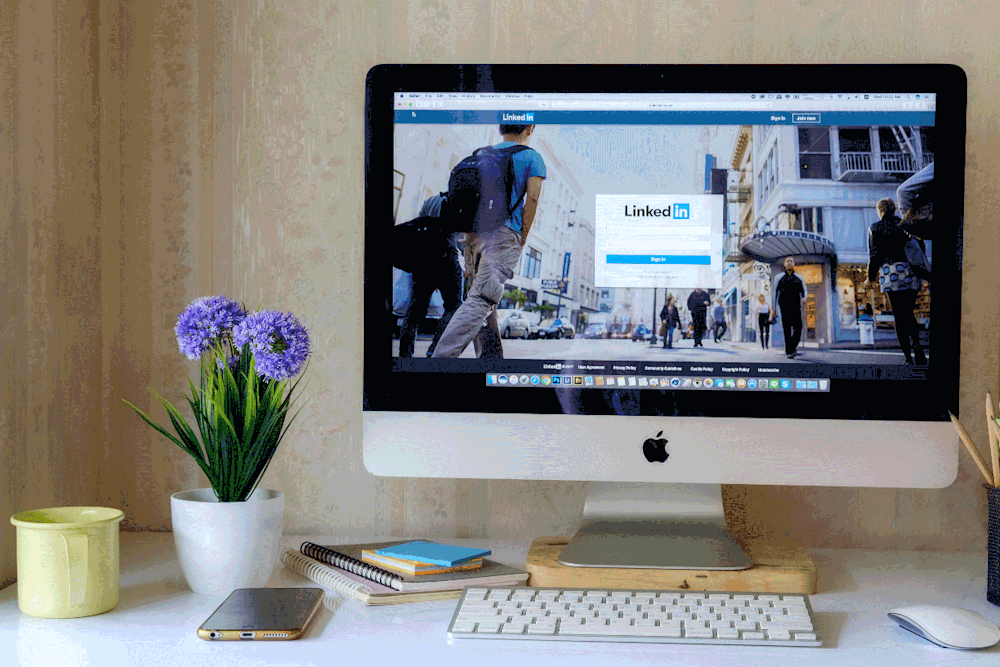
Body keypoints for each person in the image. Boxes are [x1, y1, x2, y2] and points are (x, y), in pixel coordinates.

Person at [432, 124, 545, 358]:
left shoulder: (482, 153)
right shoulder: (532, 157)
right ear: (530, 129)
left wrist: (469, 240)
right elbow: (532, 198)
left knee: (483, 300)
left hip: (474, 235)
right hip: (504, 234)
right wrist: (522, 238)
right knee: (482, 299)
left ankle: (491, 362)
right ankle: (441, 359)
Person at [397, 194, 462, 360]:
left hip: (424, 259)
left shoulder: (430, 201)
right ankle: (434, 350)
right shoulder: (460, 202)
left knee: (414, 311)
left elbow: (420, 226)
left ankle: (405, 355)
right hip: (447, 258)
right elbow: (461, 235)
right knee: (454, 306)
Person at [864, 197, 927, 365]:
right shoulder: (906, 225)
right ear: (893, 209)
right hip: (910, 272)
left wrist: (870, 278)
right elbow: (920, 247)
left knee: (899, 315)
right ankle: (918, 346)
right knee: (909, 312)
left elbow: (874, 256)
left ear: (880, 210)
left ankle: (907, 357)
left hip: (891, 273)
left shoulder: (875, 228)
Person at [774, 257, 807, 358]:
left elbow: (804, 289)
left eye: (791, 261)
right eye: (787, 261)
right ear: (784, 264)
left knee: (798, 328)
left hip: (796, 307)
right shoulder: (779, 277)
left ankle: (792, 347)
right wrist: (773, 308)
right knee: (786, 329)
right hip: (784, 307)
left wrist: (805, 298)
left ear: (794, 264)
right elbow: (774, 292)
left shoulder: (799, 277)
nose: (789, 263)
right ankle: (789, 351)